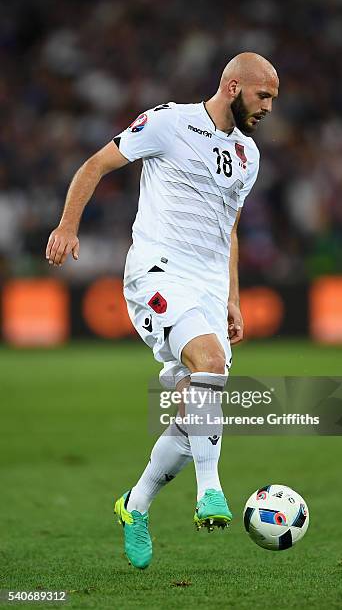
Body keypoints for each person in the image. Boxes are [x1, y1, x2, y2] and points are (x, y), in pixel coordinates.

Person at [46, 52, 279, 569]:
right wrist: (67, 226)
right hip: (158, 271)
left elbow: (229, 228)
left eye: (273, 100)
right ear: (233, 85)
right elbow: (96, 164)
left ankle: (135, 506)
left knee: (191, 413)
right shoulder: (170, 122)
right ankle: (210, 491)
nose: (268, 108)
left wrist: (232, 297)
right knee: (210, 366)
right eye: (263, 96)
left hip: (208, 289)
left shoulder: (249, 155)